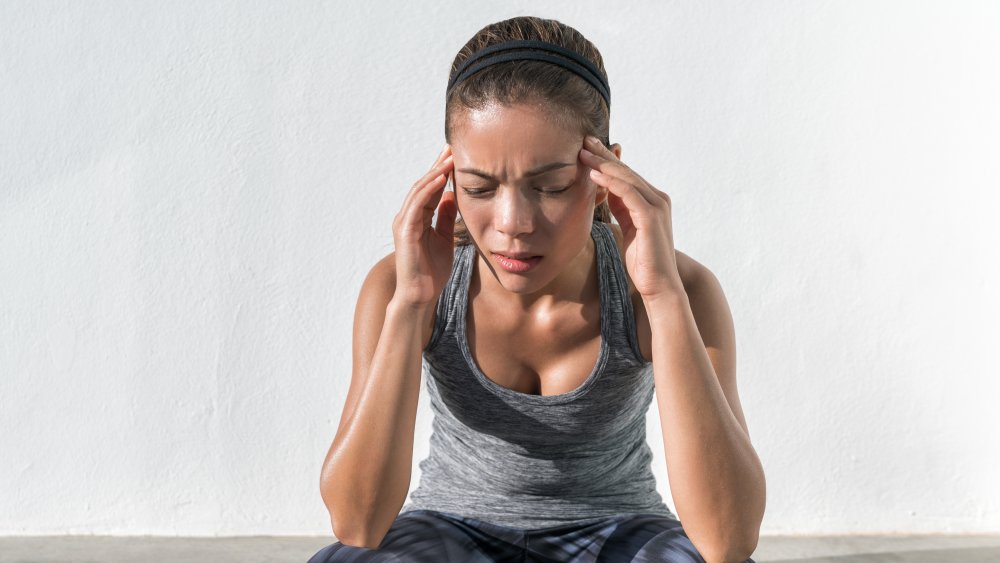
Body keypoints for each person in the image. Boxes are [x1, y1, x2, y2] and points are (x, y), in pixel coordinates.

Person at [310, 15, 765, 563]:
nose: (512, 222)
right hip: (449, 528)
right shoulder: (400, 283)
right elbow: (358, 522)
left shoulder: (678, 287)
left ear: (606, 175)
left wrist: (663, 297)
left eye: (549, 186)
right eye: (479, 187)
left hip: (620, 531)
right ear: (449, 177)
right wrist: (411, 304)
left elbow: (728, 540)